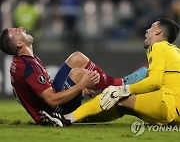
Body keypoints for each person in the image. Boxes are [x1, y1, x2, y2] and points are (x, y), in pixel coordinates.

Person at [40, 18, 180, 126]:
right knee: (123, 106)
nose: (146, 30)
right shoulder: (175, 51)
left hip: (168, 105)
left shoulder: (159, 47)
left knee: (115, 95)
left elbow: (154, 82)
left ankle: (66, 118)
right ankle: (75, 118)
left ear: (158, 32)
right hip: (175, 113)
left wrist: (123, 89)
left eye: (151, 27)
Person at [0, 27, 147, 125]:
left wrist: (78, 89)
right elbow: (51, 101)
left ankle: (118, 83)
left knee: (77, 58)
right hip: (52, 113)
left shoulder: (23, 61)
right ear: (19, 43)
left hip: (47, 106)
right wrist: (80, 86)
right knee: (79, 74)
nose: (21, 28)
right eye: (17, 31)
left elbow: (39, 91)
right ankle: (120, 85)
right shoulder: (27, 66)